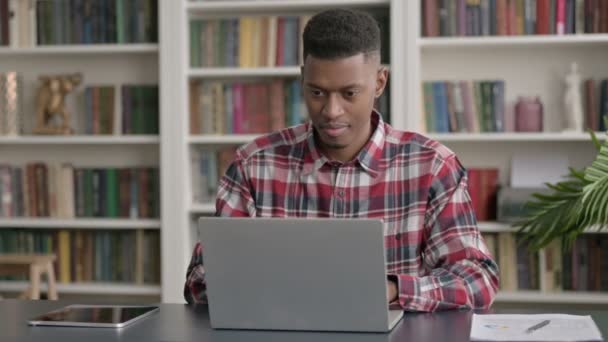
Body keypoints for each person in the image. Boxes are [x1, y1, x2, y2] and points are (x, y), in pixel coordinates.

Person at [184, 9, 499, 311]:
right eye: (317, 93)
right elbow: (199, 281)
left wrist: (392, 290)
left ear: (379, 82)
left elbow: (478, 279)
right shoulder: (253, 165)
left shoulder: (432, 167)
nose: (331, 111)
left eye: (349, 94)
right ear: (303, 79)